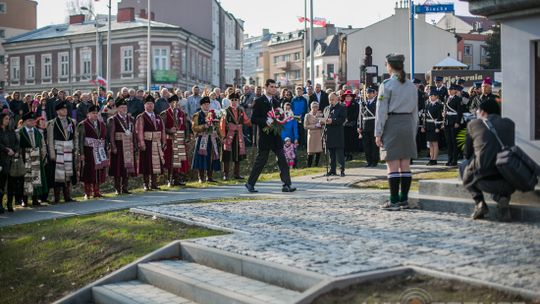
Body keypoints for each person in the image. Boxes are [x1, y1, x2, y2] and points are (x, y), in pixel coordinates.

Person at [375, 53, 418, 211]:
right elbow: (415, 111)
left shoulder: (386, 85)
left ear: (390, 66)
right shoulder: (411, 85)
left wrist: (378, 132)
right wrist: (413, 130)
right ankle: (404, 200)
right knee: (405, 165)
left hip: (392, 124)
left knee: (392, 165)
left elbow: (381, 112)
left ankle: (393, 201)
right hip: (408, 123)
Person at [463, 99, 515, 222]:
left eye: (478, 110)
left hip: (484, 178)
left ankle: (479, 202)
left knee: (464, 165)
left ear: (483, 112)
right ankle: (503, 197)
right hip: (511, 178)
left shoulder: (474, 124)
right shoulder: (509, 123)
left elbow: (467, 153)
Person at [246, 79, 296, 193]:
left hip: (276, 135)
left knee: (282, 159)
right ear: (266, 87)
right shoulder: (259, 101)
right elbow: (253, 119)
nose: (274, 89)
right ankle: (250, 183)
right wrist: (265, 121)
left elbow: (278, 117)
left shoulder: (276, 101)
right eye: (272, 87)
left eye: (275, 87)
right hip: (264, 136)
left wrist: (282, 119)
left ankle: (286, 185)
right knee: (261, 161)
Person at [46, 101, 78, 204]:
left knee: (68, 173)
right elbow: (50, 139)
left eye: (66, 109)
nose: (65, 111)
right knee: (58, 174)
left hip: (69, 149)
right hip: (58, 150)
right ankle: (56, 197)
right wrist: (52, 154)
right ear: (57, 111)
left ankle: (67, 196)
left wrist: (75, 149)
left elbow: (75, 137)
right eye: (62, 110)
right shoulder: (52, 123)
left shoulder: (71, 121)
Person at [77, 105, 108, 200]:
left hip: (99, 151)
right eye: (93, 113)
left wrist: (105, 150)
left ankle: (97, 191)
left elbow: (104, 138)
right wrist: (81, 153)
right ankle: (87, 192)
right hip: (88, 151)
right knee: (88, 172)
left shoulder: (101, 124)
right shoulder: (83, 124)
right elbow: (80, 140)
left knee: (98, 171)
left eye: (96, 113)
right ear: (88, 114)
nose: (95, 115)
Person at [136, 95, 165, 191]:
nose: (150, 106)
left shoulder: (158, 117)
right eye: (148, 104)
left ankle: (154, 183)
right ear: (144, 105)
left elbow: (163, 130)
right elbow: (139, 131)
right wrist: (141, 143)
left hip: (157, 143)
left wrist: (164, 141)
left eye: (152, 104)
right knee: (146, 163)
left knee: (155, 163)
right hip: (147, 143)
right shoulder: (141, 117)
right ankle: (146, 184)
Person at [108, 98, 137, 195]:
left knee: (127, 167)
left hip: (128, 145)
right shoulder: (113, 119)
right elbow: (111, 134)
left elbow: (134, 133)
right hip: (119, 145)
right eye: (121, 107)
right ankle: (117, 188)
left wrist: (135, 144)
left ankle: (125, 187)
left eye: (125, 107)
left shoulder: (131, 119)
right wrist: (113, 146)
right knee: (117, 167)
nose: (124, 109)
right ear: (117, 109)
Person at [18, 112, 47, 207]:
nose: (32, 122)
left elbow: (42, 144)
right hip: (25, 157)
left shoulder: (37, 132)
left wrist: (43, 155)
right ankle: (24, 200)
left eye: (33, 121)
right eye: (29, 121)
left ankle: (35, 199)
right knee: (26, 179)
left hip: (36, 157)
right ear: (24, 122)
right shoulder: (19, 132)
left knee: (36, 178)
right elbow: (17, 146)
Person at [220, 92, 250, 180]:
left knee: (237, 154)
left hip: (238, 135)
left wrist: (255, 122)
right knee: (227, 154)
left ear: (238, 101)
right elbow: (222, 124)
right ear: (229, 101)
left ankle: (237, 174)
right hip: (228, 135)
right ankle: (226, 174)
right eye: (232, 100)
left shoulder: (241, 110)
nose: (234, 102)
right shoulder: (225, 111)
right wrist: (223, 136)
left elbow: (246, 120)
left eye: (236, 100)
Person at [161, 94, 189, 186]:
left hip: (180, 139)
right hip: (170, 139)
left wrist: (187, 138)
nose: (175, 104)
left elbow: (186, 126)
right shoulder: (165, 113)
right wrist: (169, 130)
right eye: (173, 102)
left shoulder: (182, 113)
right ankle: (170, 179)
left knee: (180, 160)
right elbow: (162, 128)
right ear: (170, 103)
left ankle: (178, 179)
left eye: (176, 102)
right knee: (170, 160)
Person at [192, 97, 221, 183]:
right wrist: (203, 126)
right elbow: (194, 128)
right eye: (204, 104)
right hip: (202, 139)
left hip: (211, 139)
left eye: (208, 104)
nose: (206, 106)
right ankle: (201, 177)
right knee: (201, 157)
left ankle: (210, 176)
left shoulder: (213, 114)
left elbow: (217, 126)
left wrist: (217, 133)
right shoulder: (197, 115)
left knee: (211, 156)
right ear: (201, 105)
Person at [323, 92, 347, 176]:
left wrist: (332, 121)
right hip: (329, 133)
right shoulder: (326, 108)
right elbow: (325, 118)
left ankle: (342, 170)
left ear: (337, 99)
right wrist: (322, 121)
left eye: (332, 99)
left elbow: (342, 120)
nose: (331, 101)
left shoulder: (342, 108)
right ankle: (332, 170)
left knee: (339, 153)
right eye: (329, 99)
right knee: (331, 153)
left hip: (337, 133)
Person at [0, 112, 19, 213]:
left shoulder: (11, 131)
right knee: (1, 184)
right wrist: (7, 150)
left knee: (11, 184)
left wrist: (15, 151)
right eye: (6, 119)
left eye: (9, 119)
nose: (8, 120)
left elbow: (16, 143)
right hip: (2, 161)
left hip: (11, 161)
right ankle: (0, 205)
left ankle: (9, 204)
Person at [358, 87, 379, 167]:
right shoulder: (363, 103)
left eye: (370, 93)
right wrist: (359, 126)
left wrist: (366, 106)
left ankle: (374, 161)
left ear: (374, 94)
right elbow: (360, 115)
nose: (368, 94)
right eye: (367, 93)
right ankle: (368, 161)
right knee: (366, 145)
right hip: (365, 125)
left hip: (373, 124)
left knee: (374, 145)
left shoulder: (377, 102)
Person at [443, 84, 463, 166]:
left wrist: (457, 122)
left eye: (451, 89)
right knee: (448, 142)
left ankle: (454, 160)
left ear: (455, 90)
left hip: (454, 121)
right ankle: (449, 159)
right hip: (447, 121)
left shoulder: (458, 99)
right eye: (448, 89)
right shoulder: (446, 99)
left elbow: (459, 112)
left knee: (454, 142)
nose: (449, 91)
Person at [422, 88, 443, 166]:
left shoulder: (439, 105)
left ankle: (435, 159)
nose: (430, 97)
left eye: (432, 95)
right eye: (430, 95)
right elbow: (424, 117)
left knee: (435, 143)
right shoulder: (427, 105)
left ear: (436, 96)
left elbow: (439, 117)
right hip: (428, 126)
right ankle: (431, 158)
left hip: (434, 126)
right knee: (430, 143)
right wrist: (423, 126)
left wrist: (438, 127)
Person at [303, 102, 323, 167]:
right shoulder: (307, 115)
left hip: (318, 134)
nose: (315, 108)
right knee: (310, 151)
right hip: (311, 135)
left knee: (318, 150)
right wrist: (315, 126)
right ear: (311, 107)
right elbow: (305, 126)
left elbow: (323, 123)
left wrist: (321, 124)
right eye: (313, 107)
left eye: (316, 107)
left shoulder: (320, 115)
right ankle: (309, 165)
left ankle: (316, 165)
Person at [342, 90, 360, 161]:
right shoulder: (342, 104)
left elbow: (356, 114)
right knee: (344, 140)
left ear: (352, 97)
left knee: (350, 140)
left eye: (349, 96)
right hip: (343, 125)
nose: (348, 97)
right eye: (347, 96)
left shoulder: (355, 104)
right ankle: (344, 154)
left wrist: (348, 119)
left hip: (351, 125)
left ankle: (349, 155)